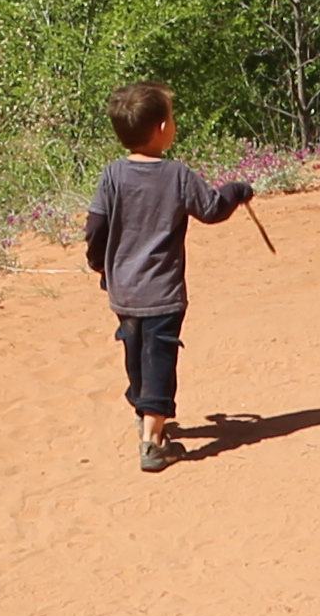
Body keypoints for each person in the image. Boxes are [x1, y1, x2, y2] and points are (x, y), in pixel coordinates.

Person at [83, 78, 256, 472]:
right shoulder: (177, 175)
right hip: (163, 289)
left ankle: (144, 411)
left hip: (124, 288)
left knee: (135, 350)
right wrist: (237, 189)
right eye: (172, 118)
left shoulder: (112, 175)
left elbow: (95, 226)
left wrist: (99, 263)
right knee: (160, 355)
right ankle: (152, 443)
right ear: (163, 129)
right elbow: (212, 208)